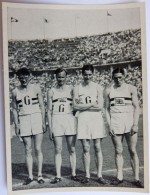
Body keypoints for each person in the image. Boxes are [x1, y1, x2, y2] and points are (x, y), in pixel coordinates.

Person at [105, 67, 143, 187]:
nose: (118, 80)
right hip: (116, 121)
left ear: (124, 77)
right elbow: (106, 108)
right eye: (115, 78)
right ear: (112, 78)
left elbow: (137, 107)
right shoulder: (108, 90)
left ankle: (136, 178)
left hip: (129, 120)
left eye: (120, 77)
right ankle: (119, 176)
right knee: (118, 150)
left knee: (132, 150)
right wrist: (109, 124)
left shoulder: (131, 88)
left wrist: (135, 124)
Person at [73, 65, 107, 184]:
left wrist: (84, 107)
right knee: (85, 147)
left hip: (96, 119)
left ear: (93, 74)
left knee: (97, 147)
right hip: (83, 119)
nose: (87, 77)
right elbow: (75, 106)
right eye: (85, 74)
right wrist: (92, 104)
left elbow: (100, 106)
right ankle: (87, 174)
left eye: (89, 74)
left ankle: (99, 175)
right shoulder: (77, 88)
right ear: (82, 74)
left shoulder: (98, 87)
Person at [12, 68, 46, 185]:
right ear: (18, 79)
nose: (23, 80)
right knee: (28, 149)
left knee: (38, 148)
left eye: (25, 77)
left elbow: (42, 105)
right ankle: (30, 176)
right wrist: (17, 125)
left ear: (29, 76)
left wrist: (43, 121)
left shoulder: (36, 88)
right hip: (24, 119)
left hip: (36, 117)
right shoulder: (15, 91)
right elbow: (15, 110)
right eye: (21, 78)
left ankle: (40, 175)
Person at [47, 68, 78, 184]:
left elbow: (76, 106)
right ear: (56, 77)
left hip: (69, 119)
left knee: (72, 148)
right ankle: (58, 175)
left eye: (63, 77)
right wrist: (50, 128)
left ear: (66, 77)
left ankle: (74, 173)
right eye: (59, 77)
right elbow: (49, 111)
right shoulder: (51, 91)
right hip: (57, 120)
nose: (61, 79)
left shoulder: (71, 89)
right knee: (58, 149)